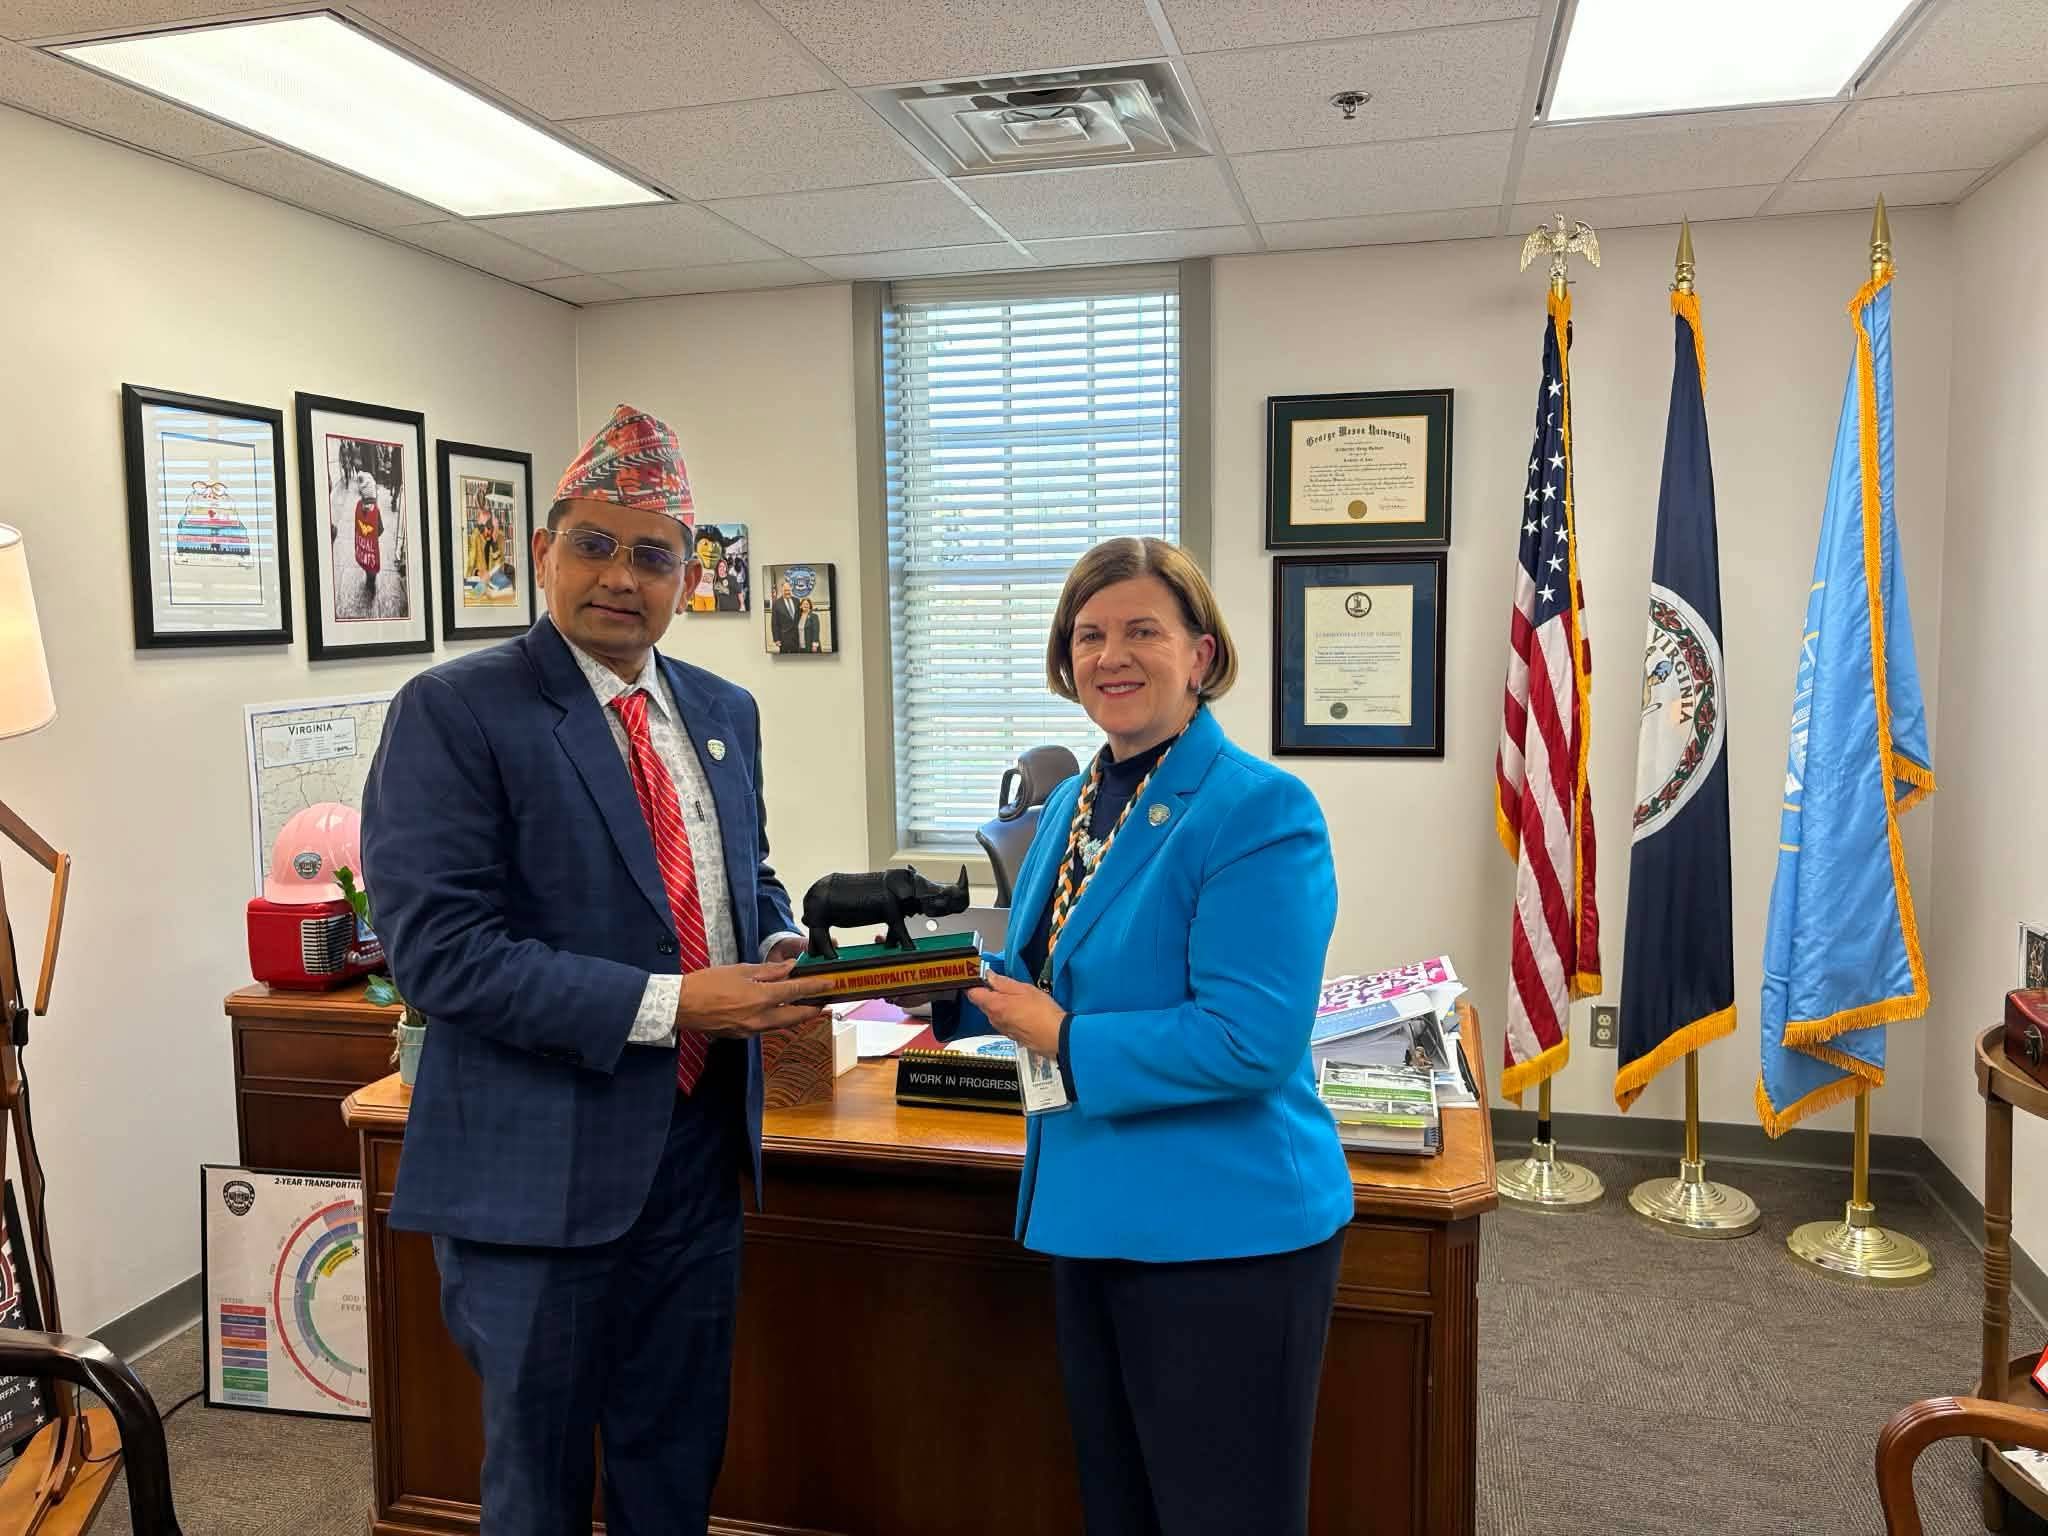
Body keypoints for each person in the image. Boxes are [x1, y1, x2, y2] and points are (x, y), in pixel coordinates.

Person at [361, 403, 827, 1535]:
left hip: (698, 1157)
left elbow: (742, 876)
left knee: (677, 1459)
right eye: (595, 546)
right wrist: (677, 1003)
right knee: (540, 1481)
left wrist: (773, 948)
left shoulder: (722, 710)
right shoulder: (455, 711)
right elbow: (440, 954)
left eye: (653, 556)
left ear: (688, 577)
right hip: (538, 1174)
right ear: (542, 552)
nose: (622, 577)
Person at [936, 535, 1353, 1536]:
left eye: (1141, 632)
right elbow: (1043, 969)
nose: (1110, 655)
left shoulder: (1259, 810)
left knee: (1222, 1518)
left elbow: (1248, 1039)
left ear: (1199, 654)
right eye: (1088, 635)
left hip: (1224, 1231)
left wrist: (1065, 1036)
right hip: (1093, 1211)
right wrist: (922, 982)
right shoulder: (1077, 799)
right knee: (1121, 1508)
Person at [769, 576, 800, 653]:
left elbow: (800, 618)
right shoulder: (776, 603)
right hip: (783, 638)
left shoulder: (797, 601)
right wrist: (776, 639)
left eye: (788, 590)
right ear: (781, 590)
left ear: (791, 590)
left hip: (797, 637)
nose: (787, 592)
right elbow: (774, 623)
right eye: (785, 590)